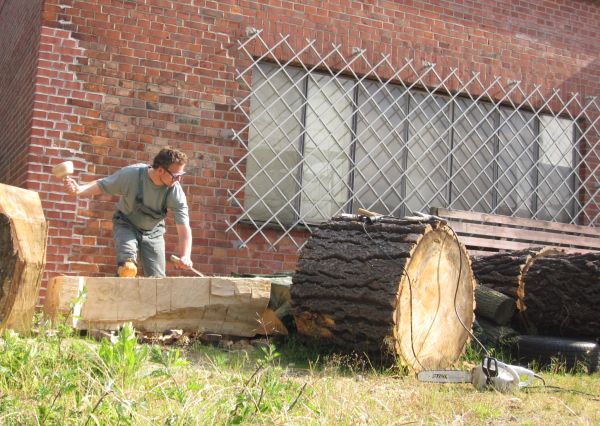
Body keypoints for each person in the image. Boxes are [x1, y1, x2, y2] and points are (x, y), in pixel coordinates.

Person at [63, 148, 194, 277]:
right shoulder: (132, 175)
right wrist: (79, 190)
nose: (178, 181)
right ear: (160, 170)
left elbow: (183, 228)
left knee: (158, 281)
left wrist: (185, 256)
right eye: (175, 176)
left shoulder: (175, 192)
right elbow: (102, 185)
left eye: (181, 176)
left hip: (154, 233)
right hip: (127, 225)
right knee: (128, 268)